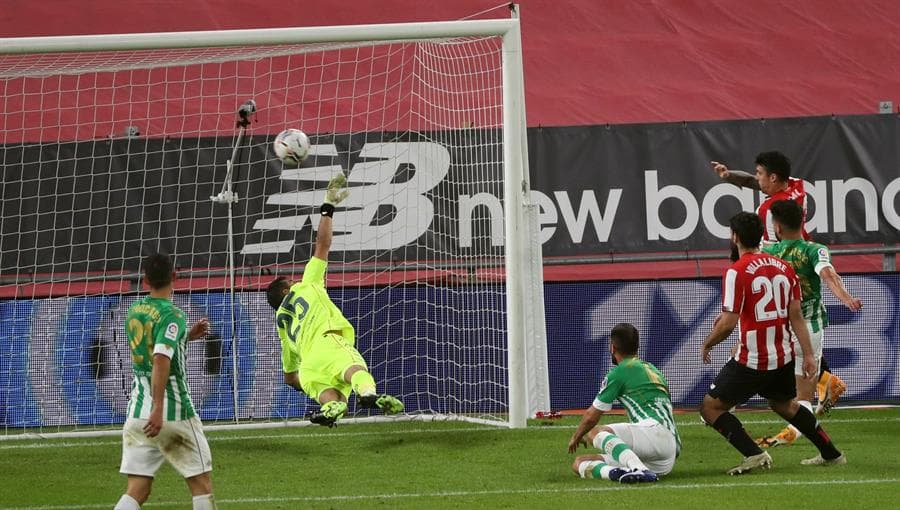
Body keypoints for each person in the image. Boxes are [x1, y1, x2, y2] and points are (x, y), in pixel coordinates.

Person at [699, 212, 845, 475]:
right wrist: (810, 355)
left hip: (752, 358)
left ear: (735, 238)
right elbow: (796, 315)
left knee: (710, 408)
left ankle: (754, 454)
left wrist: (708, 343)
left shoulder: (736, 271)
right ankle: (831, 453)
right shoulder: (783, 266)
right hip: (783, 355)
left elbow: (729, 322)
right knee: (785, 405)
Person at [711, 151, 847, 416]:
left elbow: (773, 251)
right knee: (789, 335)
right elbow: (755, 182)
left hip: (784, 277)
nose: (757, 179)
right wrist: (730, 177)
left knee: (764, 330)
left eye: (761, 173)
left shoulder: (767, 212)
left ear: (774, 177)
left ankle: (726, 398)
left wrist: (752, 272)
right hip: (800, 272)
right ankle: (828, 381)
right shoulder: (797, 185)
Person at [266, 173, 404, 427]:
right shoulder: (307, 284)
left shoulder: (281, 323)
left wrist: (303, 382)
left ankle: (329, 405)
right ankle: (368, 393)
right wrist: (328, 208)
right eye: (290, 282)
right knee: (353, 368)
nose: (295, 281)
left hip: (308, 363)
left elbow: (289, 377)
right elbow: (322, 244)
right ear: (286, 291)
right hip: (328, 341)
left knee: (332, 395)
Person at [756, 200, 862, 448]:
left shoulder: (768, 252)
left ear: (777, 227)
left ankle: (793, 429)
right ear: (802, 222)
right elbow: (828, 274)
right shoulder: (815, 250)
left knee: (776, 382)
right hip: (809, 327)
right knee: (802, 392)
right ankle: (824, 387)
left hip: (777, 327)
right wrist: (845, 297)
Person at [116, 253, 216, 510]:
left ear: (146, 280)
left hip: (138, 412)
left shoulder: (134, 310)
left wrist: (186, 337)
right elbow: (161, 359)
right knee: (201, 485)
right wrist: (159, 408)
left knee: (137, 489)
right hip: (172, 411)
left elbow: (151, 349)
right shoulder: (173, 314)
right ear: (174, 276)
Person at [567, 323, 681, 484]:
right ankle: (617, 473)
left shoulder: (619, 372)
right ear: (637, 347)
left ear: (612, 348)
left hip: (653, 434)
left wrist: (576, 436)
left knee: (594, 432)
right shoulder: (654, 370)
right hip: (668, 453)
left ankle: (637, 468)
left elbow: (591, 417)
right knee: (579, 463)